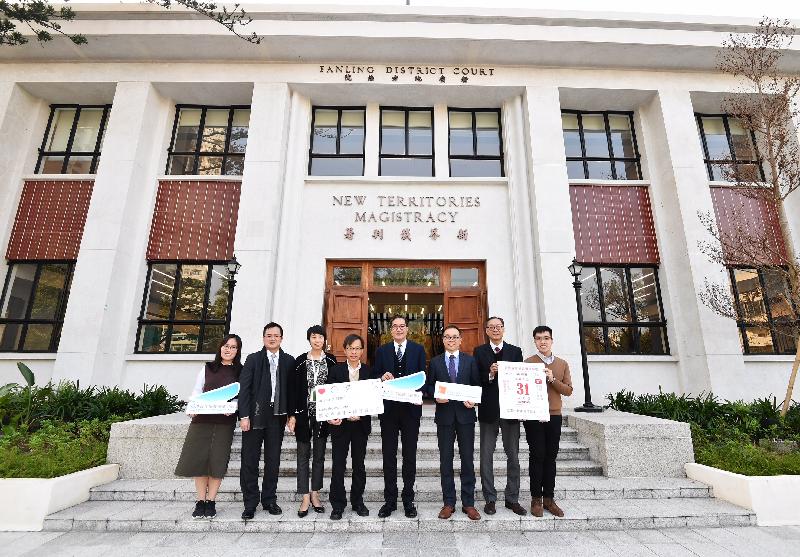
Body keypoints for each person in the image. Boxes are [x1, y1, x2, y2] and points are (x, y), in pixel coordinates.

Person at [175, 334, 243, 520]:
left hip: (224, 422)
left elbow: (240, 396)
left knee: (217, 462)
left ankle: (211, 501)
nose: (228, 350)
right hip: (201, 421)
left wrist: (234, 408)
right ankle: (200, 501)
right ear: (220, 347)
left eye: (233, 347)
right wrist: (192, 407)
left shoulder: (240, 371)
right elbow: (197, 391)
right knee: (199, 461)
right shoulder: (207, 368)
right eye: (226, 346)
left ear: (238, 351)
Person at [238, 322, 296, 519]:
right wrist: (244, 415)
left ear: (281, 338)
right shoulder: (253, 359)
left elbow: (291, 391)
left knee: (273, 460)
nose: (272, 338)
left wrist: (291, 414)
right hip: (254, 416)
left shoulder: (289, 361)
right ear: (263, 338)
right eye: (269, 335)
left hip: (277, 416)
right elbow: (244, 389)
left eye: (276, 335)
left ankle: (269, 499)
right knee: (250, 460)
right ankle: (250, 503)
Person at [371, 314, 426, 519]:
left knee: (409, 456)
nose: (399, 329)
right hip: (389, 412)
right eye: (395, 326)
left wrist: (421, 394)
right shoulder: (382, 351)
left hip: (411, 412)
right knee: (389, 456)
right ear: (390, 330)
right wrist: (381, 376)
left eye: (402, 326)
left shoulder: (418, 350)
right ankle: (390, 500)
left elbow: (423, 378)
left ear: (407, 329)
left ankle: (408, 500)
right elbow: (374, 375)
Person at [426, 325, 482, 521]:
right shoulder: (435, 362)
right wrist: (435, 396)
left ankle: (469, 504)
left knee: (467, 459)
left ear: (460, 340)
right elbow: (429, 386)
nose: (451, 340)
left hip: (466, 417)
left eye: (455, 337)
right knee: (446, 460)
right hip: (445, 417)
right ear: (443, 340)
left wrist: (474, 400)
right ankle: (448, 502)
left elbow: (477, 385)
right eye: (447, 337)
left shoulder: (470, 361)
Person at [474, 316, 527, 516]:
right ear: (486, 330)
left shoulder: (515, 351)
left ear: (503, 329)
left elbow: (522, 377)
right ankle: (490, 498)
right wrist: (490, 374)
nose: (495, 330)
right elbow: (476, 378)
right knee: (486, 456)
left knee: (513, 455)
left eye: (499, 326)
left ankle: (512, 498)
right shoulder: (479, 352)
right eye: (491, 327)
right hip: (488, 410)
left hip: (511, 410)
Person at [523, 325, 573, 518]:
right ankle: (536, 499)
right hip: (534, 416)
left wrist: (552, 379)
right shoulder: (528, 363)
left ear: (552, 340)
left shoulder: (562, 364)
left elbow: (568, 390)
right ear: (534, 341)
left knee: (551, 457)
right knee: (537, 455)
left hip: (554, 415)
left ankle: (549, 499)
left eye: (546, 338)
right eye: (538, 338)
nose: (542, 342)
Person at [326, 333, 372, 520]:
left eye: (357, 348)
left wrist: (363, 411)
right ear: (345, 350)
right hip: (340, 426)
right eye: (350, 348)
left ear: (362, 351)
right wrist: (331, 416)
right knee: (338, 465)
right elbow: (329, 398)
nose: (354, 352)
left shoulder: (369, 372)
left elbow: (372, 398)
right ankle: (337, 505)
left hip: (360, 426)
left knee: (359, 466)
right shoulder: (335, 371)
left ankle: (357, 501)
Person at [293, 325, 337, 517]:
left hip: (324, 415)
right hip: (304, 414)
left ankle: (315, 494)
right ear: (309, 339)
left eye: (320, 337)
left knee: (319, 455)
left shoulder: (331, 360)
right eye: (314, 337)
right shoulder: (300, 361)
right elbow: (293, 389)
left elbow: (337, 387)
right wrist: (292, 415)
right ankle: (304, 497)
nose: (317, 340)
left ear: (325, 340)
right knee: (303, 456)